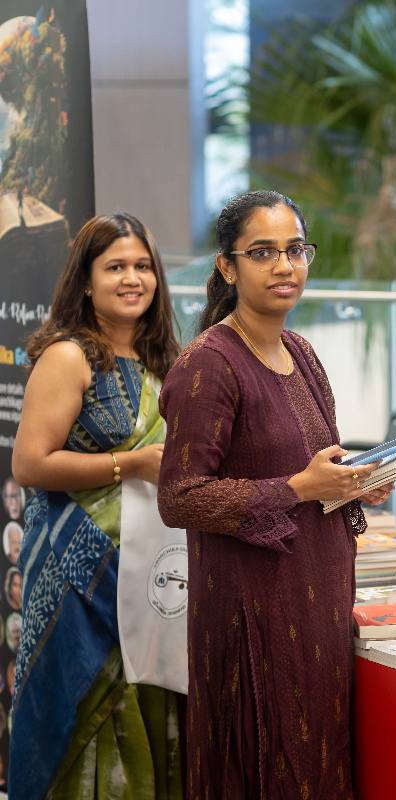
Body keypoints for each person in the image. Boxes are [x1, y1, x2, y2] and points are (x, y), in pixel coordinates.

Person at [157, 190, 394, 797]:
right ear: (227, 267)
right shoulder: (208, 364)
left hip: (317, 605)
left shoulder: (302, 352)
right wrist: (297, 487)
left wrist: (356, 481)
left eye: (295, 250)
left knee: (317, 761)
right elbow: (180, 496)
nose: (284, 266)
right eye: (263, 252)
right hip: (251, 613)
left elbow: (315, 469)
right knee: (261, 761)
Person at [9, 213, 183, 798]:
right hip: (77, 578)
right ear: (86, 282)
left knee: (149, 713)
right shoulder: (69, 357)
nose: (132, 279)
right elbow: (30, 464)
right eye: (115, 267)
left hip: (153, 579)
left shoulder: (166, 361)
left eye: (143, 266)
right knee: (86, 718)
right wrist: (130, 464)